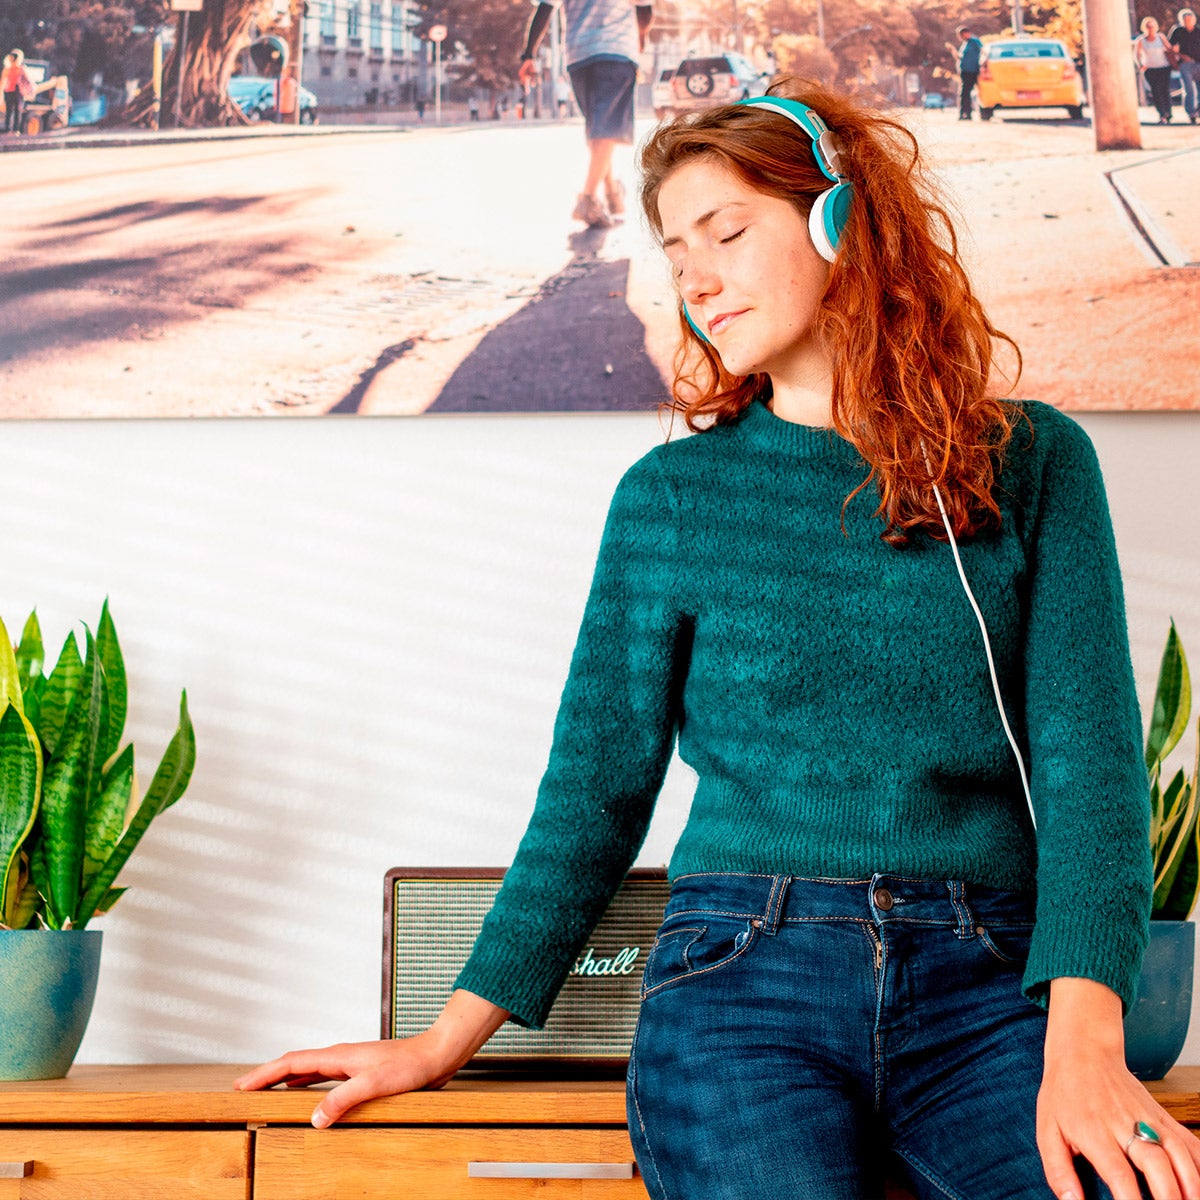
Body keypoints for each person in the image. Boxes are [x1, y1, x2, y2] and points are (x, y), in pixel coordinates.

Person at [237, 80, 1200, 1199]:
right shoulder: (673, 499)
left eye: (728, 232)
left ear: (846, 221)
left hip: (987, 981)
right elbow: (593, 792)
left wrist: (1085, 1045)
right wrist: (440, 1041)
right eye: (674, 249)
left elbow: (1094, 774)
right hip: (743, 977)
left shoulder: (1033, 463)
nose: (693, 278)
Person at [518, 0, 653, 228]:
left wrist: (528, 55)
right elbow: (645, 10)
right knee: (606, 130)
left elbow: (545, 8)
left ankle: (611, 192)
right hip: (616, 51)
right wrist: (640, 37)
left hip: (578, 55)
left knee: (598, 128)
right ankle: (588, 199)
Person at [1135, 17, 1176, 124]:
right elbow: (1136, 54)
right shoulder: (1141, 40)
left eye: (1152, 26)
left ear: (1156, 27)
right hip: (1150, 69)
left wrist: (1173, 51)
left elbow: (1169, 48)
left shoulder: (1161, 37)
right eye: (1148, 27)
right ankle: (1161, 114)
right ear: (1144, 28)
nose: (1150, 28)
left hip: (1164, 67)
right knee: (1156, 92)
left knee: (1165, 90)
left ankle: (1168, 113)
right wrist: (1140, 65)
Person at [1169, 8, 1200, 124]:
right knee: (1189, 89)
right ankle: (1191, 113)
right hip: (1186, 64)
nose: (1188, 22)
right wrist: (1179, 57)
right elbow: (1170, 48)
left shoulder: (1198, 31)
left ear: (1194, 20)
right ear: (1181, 21)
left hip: (1199, 63)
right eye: (1186, 20)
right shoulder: (1177, 31)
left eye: (1190, 19)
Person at [955, 25, 983, 120]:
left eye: (964, 34)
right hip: (965, 71)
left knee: (965, 92)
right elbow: (962, 57)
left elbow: (982, 51)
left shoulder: (974, 41)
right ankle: (964, 113)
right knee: (964, 93)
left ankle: (966, 113)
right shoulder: (964, 44)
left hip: (971, 71)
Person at [1, 49, 31, 135]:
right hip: (10, 91)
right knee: (10, 111)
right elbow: (3, 81)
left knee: (16, 111)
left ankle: (14, 130)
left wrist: (27, 91)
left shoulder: (20, 68)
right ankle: (10, 130)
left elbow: (28, 80)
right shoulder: (8, 69)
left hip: (17, 91)